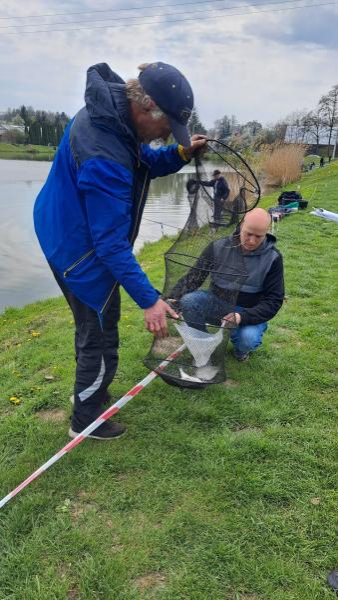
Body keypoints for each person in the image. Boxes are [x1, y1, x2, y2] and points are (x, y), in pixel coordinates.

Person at [34, 61, 206, 440]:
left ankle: (88, 398)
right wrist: (149, 300)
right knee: (99, 331)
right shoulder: (103, 151)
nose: (166, 136)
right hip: (76, 248)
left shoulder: (113, 113)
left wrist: (178, 154)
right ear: (147, 108)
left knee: (94, 326)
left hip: (62, 223)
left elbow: (140, 162)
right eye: (167, 129)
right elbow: (109, 244)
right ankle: (87, 420)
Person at [170, 208, 284, 362]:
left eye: (258, 237)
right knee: (189, 301)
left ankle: (240, 350)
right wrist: (172, 297)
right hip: (217, 303)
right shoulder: (217, 247)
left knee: (248, 339)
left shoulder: (273, 258)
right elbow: (194, 277)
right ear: (241, 225)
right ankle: (203, 347)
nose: (251, 241)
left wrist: (241, 317)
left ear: (267, 232)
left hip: (247, 311)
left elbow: (274, 301)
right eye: (248, 234)